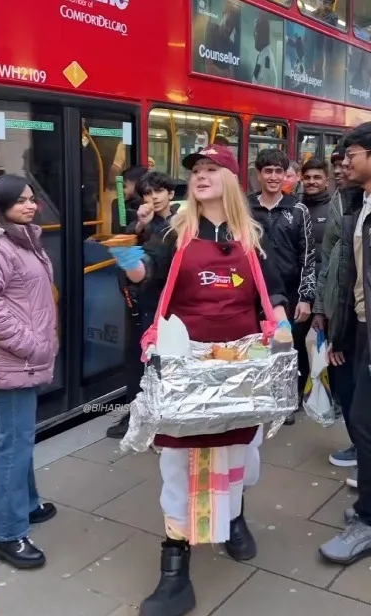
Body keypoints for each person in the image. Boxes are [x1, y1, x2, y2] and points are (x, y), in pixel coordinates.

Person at [109, 146, 289, 616]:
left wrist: (285, 323)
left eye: (211, 170)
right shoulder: (175, 233)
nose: (201, 177)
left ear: (230, 178)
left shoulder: (254, 232)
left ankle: (234, 515)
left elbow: (272, 289)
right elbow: (149, 277)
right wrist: (134, 266)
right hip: (186, 372)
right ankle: (175, 572)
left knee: (240, 456)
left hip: (241, 370)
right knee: (179, 469)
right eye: (196, 172)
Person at [313, 124, 371, 563]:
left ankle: (368, 523)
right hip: (361, 328)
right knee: (360, 420)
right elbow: (347, 274)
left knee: (364, 423)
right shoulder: (358, 203)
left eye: (350, 153)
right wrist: (338, 331)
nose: (343, 162)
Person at [0, 173, 58, 569]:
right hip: (15, 361)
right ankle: (8, 532)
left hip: (25, 361)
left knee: (21, 439)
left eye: (32, 198)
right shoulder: (1, 245)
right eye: (20, 200)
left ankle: (28, 504)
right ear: (1, 205)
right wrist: (32, 344)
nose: (30, 205)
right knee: (13, 446)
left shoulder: (25, 238)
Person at [107, 170, 180, 439]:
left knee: (157, 363)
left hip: (163, 304)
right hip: (137, 301)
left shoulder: (179, 224)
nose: (153, 197)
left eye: (159, 191)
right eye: (148, 193)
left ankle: (153, 416)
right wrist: (139, 225)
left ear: (171, 194)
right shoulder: (142, 221)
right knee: (134, 360)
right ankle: (135, 411)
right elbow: (129, 241)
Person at [250, 148, 316, 424]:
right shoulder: (244, 208)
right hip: (253, 293)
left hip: (289, 295)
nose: (274, 177)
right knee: (256, 347)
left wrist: (305, 297)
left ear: (286, 175)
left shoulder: (298, 210)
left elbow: (308, 257)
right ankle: (256, 397)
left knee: (289, 348)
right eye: (268, 171)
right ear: (259, 175)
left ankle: (287, 400)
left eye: (279, 171)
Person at [314, 142, 357, 472]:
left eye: (347, 162)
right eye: (336, 164)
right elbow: (326, 264)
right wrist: (319, 310)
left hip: (357, 317)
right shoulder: (338, 202)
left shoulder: (360, 204)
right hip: (337, 312)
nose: (341, 169)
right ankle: (360, 445)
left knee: (356, 386)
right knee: (344, 383)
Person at [301, 160, 333, 247]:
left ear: (327, 182)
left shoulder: (334, 209)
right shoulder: (296, 208)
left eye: (317, 177)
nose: (311, 182)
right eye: (307, 177)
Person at [110, 166, 146, 234]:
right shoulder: (117, 204)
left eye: (124, 186)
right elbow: (116, 231)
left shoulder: (148, 204)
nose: (120, 190)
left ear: (138, 185)